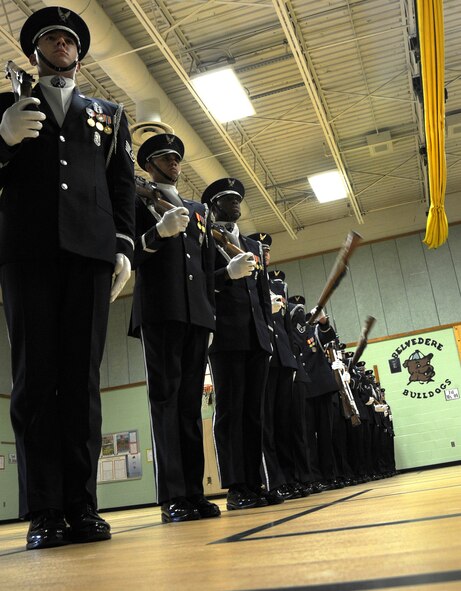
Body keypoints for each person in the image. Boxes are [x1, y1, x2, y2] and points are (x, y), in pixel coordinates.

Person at [0, 7, 135, 550]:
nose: (63, 43)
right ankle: (44, 510)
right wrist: (1, 140)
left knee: (81, 380)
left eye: (70, 38)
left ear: (79, 52)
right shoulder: (6, 106)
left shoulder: (109, 113)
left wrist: (124, 247)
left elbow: (121, 186)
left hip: (90, 254)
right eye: (52, 38)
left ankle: (81, 505)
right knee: (36, 379)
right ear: (34, 51)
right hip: (26, 254)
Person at [129, 133, 220, 523]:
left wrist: (210, 315)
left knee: (189, 405)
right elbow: (128, 250)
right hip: (161, 311)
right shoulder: (136, 200)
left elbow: (205, 266)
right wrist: (156, 234)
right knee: (165, 403)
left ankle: (195, 492)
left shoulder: (198, 209)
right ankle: (172, 496)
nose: (174, 164)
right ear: (147, 165)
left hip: (195, 315)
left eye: (176, 159)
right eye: (165, 158)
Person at [201, 178, 273, 510]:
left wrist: (268, 332)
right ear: (213, 205)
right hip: (226, 336)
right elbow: (200, 284)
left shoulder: (252, 246)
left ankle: (255, 481)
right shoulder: (205, 240)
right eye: (227, 200)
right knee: (230, 411)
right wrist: (225, 274)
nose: (234, 204)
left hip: (256, 336)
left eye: (237, 199)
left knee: (253, 414)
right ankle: (235, 486)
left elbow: (260, 294)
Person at [247, 233, 298, 503]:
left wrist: (293, 359)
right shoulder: (252, 280)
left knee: (283, 422)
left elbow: (287, 329)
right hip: (265, 355)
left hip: (283, 358)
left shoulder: (277, 286)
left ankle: (288, 478)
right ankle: (273, 479)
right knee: (265, 422)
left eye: (267, 251)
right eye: (261, 251)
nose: (265, 255)